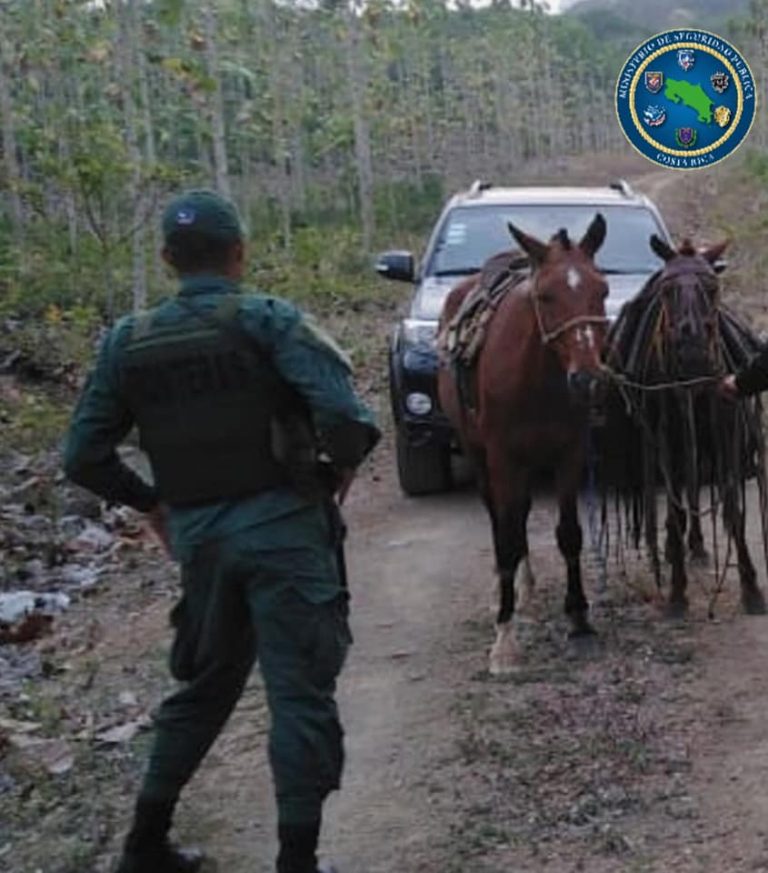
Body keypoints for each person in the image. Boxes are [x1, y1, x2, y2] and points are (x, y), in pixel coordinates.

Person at [63, 189, 380, 873]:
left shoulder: (129, 341)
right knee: (298, 692)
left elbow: (82, 456)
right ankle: (297, 859)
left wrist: (152, 502)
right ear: (239, 254)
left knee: (204, 686)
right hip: (286, 533)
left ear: (167, 259)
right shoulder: (269, 321)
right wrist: (339, 473)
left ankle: (144, 842)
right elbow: (345, 416)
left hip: (201, 539)